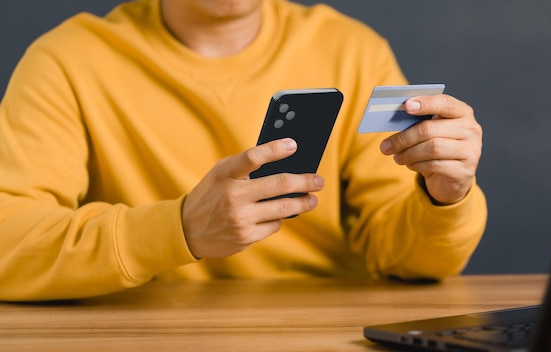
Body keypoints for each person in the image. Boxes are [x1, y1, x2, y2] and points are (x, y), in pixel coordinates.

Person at [0, 0, 487, 301]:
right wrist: (179, 228)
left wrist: (444, 199)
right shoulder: (67, 60)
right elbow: (8, 241)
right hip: (144, 334)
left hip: (326, 331)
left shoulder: (351, 49)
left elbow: (414, 260)